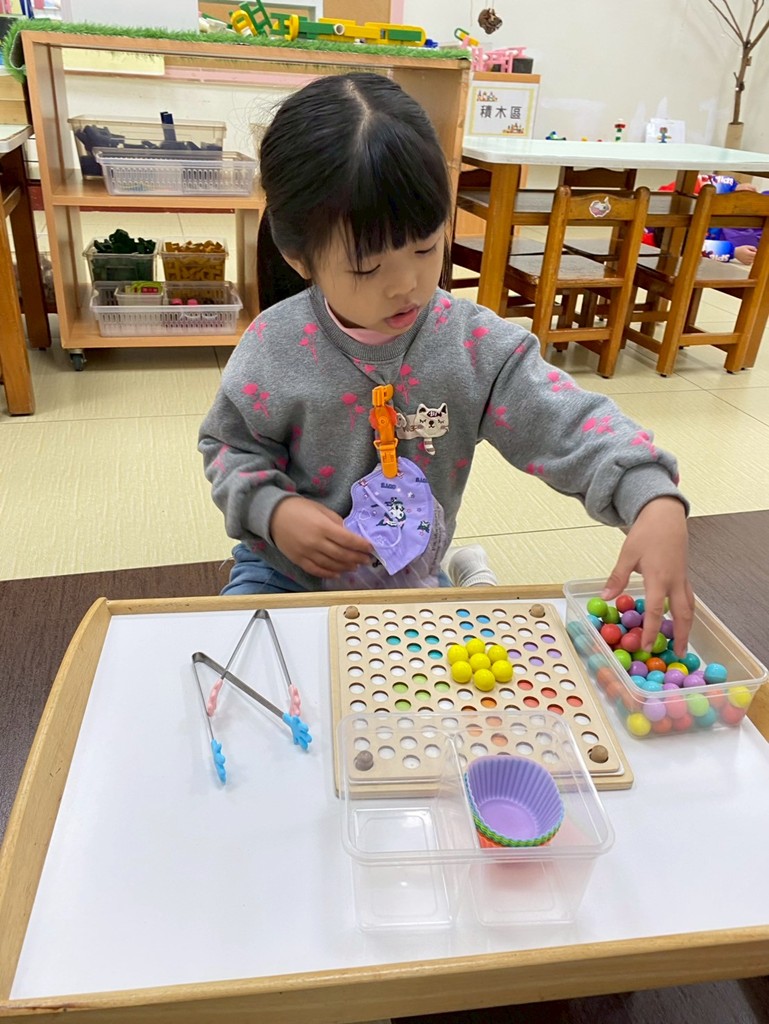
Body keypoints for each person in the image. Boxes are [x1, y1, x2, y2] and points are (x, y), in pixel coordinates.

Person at [198, 72, 694, 654]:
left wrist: (650, 494)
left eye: (426, 247)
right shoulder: (273, 346)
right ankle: (471, 573)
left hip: (405, 578)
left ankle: (469, 575)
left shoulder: (475, 347)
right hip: (284, 575)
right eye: (367, 268)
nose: (406, 284)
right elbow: (229, 447)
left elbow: (569, 423)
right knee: (239, 662)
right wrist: (273, 510)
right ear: (297, 256)